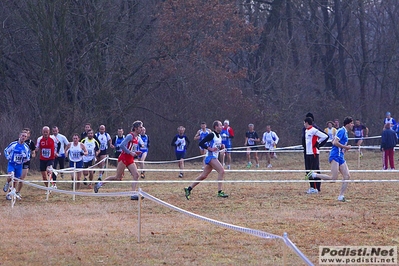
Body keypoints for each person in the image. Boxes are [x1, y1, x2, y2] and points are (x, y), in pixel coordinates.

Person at [305, 117, 354, 202]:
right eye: (351, 123)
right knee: (333, 178)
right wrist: (345, 147)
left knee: (347, 176)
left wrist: (344, 149)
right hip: (335, 156)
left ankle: (341, 196)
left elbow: (333, 141)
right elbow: (334, 142)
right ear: (347, 124)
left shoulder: (345, 132)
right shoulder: (342, 131)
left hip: (340, 156)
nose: (353, 125)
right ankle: (314, 175)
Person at [94, 121, 144, 200]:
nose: (142, 129)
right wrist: (130, 152)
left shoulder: (138, 137)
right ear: (135, 128)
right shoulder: (130, 136)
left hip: (130, 158)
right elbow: (122, 145)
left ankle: (133, 194)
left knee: (136, 175)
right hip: (124, 157)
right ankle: (100, 184)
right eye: (140, 127)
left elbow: (131, 148)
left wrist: (135, 153)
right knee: (117, 177)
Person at [184, 120, 228, 200]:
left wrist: (222, 146)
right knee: (222, 171)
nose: (222, 127)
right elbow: (201, 143)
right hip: (210, 157)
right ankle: (220, 192)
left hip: (214, 157)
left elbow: (217, 146)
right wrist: (209, 148)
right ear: (216, 127)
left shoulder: (219, 136)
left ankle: (189, 189)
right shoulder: (211, 135)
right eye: (220, 125)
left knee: (203, 176)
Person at [302, 114, 328, 194]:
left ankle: (316, 187)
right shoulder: (306, 130)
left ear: (307, 123)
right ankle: (312, 187)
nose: (303, 124)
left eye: (304, 123)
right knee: (308, 171)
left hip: (313, 153)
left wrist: (318, 143)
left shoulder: (314, 130)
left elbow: (325, 136)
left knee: (314, 170)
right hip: (307, 153)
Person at [3, 131, 31, 200]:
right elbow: (6, 150)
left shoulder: (26, 147)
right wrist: (8, 156)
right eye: (22, 136)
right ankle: (7, 183)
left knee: (16, 180)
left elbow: (28, 157)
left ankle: (10, 194)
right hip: (12, 164)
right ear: (19, 136)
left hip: (19, 165)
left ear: (26, 138)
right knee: (11, 175)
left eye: (25, 136)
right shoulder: (14, 144)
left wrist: (25, 158)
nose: (23, 138)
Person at [18, 128, 36, 196]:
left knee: (21, 178)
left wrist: (29, 156)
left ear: (29, 135)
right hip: (17, 162)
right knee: (15, 177)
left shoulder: (31, 143)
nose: (25, 135)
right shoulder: (17, 141)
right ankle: (11, 190)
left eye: (27, 133)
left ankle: (18, 192)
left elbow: (34, 153)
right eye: (24, 133)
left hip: (26, 163)